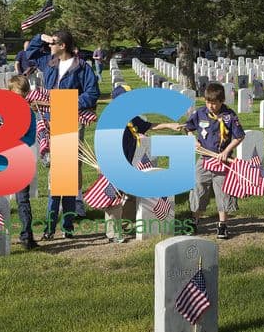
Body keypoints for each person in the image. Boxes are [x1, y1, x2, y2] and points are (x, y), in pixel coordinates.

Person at [26, 30, 100, 240]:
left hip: (69, 121)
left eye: (54, 43)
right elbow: (30, 53)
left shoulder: (82, 67)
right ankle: (51, 227)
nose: (50, 46)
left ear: (64, 46)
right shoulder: (48, 63)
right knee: (55, 178)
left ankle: (65, 226)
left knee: (64, 180)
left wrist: (69, 104)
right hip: (48, 123)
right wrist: (41, 37)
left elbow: (92, 93)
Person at [105, 85, 183, 242]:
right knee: (114, 198)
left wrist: (169, 125)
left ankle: (124, 224)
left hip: (130, 162)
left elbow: (149, 126)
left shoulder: (131, 118)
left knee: (132, 195)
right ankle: (113, 234)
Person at [184, 82, 245, 239]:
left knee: (223, 190)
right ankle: (194, 220)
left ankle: (222, 224)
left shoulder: (229, 116)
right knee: (198, 187)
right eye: (208, 102)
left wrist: (226, 152)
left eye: (214, 103)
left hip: (222, 161)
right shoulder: (200, 113)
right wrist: (193, 141)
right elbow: (188, 128)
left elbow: (239, 136)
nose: (210, 106)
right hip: (204, 159)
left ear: (221, 101)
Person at [0, 75, 38, 250]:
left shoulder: (29, 113)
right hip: (0, 163)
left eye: (23, 96)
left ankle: (27, 236)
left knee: (23, 201)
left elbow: (30, 137)